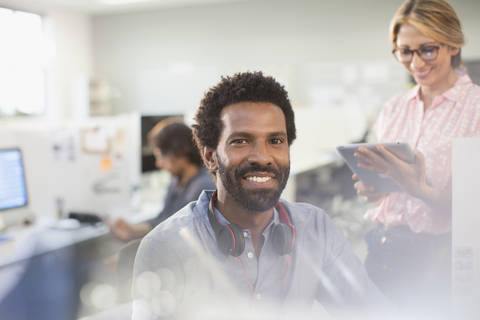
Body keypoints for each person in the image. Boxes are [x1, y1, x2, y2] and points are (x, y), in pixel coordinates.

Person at [132, 72, 396, 320]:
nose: (262, 157)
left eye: (276, 141)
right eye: (241, 141)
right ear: (210, 156)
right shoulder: (166, 247)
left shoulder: (315, 229)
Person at [352, 0, 480, 318]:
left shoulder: (475, 109)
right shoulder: (393, 107)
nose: (415, 62)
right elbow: (387, 187)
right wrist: (376, 189)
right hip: (381, 248)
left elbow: (473, 208)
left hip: (438, 262)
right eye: (404, 51)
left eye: (427, 50)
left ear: (452, 44)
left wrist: (420, 189)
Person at [110, 121, 215, 241]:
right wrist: (131, 228)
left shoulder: (203, 186)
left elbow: (176, 233)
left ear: (182, 150)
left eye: (162, 155)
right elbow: (163, 220)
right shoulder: (176, 180)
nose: (158, 163)